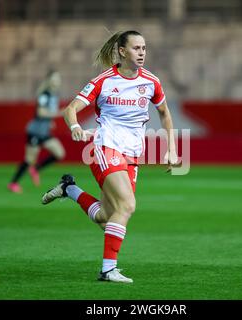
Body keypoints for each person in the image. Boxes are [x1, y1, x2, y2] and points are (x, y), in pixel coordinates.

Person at [41, 31, 178, 283]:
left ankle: (69, 189)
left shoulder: (151, 82)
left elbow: (165, 113)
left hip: (132, 154)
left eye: (144, 48)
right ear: (122, 51)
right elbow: (71, 109)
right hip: (105, 146)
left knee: (107, 216)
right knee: (127, 206)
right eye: (136, 48)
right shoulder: (103, 81)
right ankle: (107, 269)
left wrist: (171, 148)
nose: (142, 53)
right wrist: (75, 128)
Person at [8, 70, 66, 193]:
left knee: (60, 153)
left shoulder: (54, 94)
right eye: (55, 78)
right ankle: (13, 183)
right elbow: (40, 112)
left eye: (58, 78)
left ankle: (36, 169)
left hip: (44, 132)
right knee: (29, 160)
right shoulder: (44, 94)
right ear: (49, 80)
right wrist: (58, 113)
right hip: (35, 131)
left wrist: (50, 121)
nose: (57, 81)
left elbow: (47, 113)